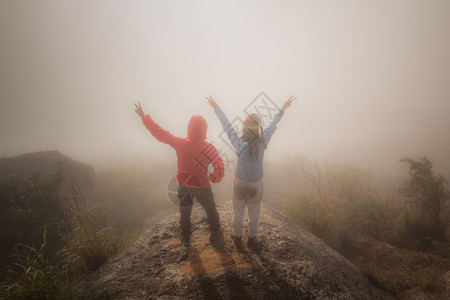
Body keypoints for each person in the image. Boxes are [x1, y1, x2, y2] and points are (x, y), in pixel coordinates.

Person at [206, 96, 295, 250]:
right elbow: (273, 123)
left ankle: (237, 236)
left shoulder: (239, 144)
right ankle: (252, 239)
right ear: (258, 128)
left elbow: (227, 126)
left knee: (238, 212)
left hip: (239, 182)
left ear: (245, 127)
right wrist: (283, 108)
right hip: (256, 184)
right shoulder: (263, 141)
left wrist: (216, 108)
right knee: (254, 213)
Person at [134, 102, 225, 247]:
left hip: (184, 184)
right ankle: (215, 232)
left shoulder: (180, 143)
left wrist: (144, 117)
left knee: (185, 213)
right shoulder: (208, 147)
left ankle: (186, 238)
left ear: (189, 128)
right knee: (211, 210)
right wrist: (213, 176)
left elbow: (160, 133)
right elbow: (219, 165)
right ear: (204, 129)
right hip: (202, 185)